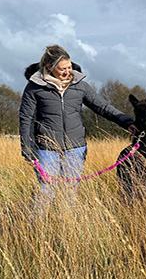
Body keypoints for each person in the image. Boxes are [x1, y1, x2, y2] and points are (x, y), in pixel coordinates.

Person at [19, 44, 138, 201]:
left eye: (69, 67)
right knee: (45, 191)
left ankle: (67, 225)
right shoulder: (34, 87)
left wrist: (125, 121)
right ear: (49, 67)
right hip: (46, 147)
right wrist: (27, 148)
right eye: (63, 69)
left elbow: (102, 107)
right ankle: (37, 225)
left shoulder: (79, 85)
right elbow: (25, 118)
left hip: (75, 148)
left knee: (70, 193)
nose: (68, 71)